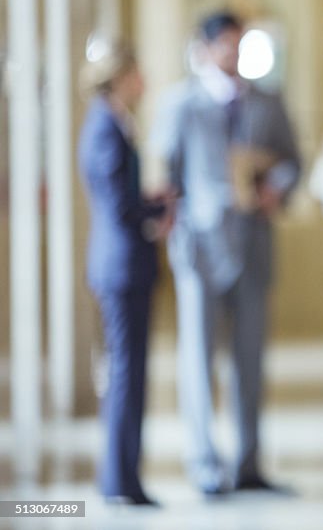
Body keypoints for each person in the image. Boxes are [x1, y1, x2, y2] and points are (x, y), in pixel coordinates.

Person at [153, 10, 301, 495]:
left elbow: (292, 161)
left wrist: (275, 188)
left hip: (254, 242)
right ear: (206, 47)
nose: (234, 54)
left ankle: (249, 462)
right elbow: (166, 173)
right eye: (226, 45)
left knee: (251, 357)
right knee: (198, 356)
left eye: (241, 45)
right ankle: (204, 463)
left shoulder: (268, 101)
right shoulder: (181, 104)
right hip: (199, 246)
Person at [78, 41, 172, 506]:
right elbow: (118, 205)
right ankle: (121, 480)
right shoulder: (104, 127)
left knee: (129, 374)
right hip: (121, 266)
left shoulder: (116, 123)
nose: (144, 81)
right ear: (120, 76)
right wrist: (153, 214)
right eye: (138, 73)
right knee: (125, 375)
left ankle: (123, 476)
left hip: (125, 261)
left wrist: (153, 202)